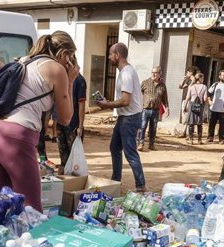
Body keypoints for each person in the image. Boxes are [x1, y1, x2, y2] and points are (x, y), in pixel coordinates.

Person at [0, 31, 79, 212]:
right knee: (31, 209)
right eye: (71, 57)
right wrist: (71, 80)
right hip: (15, 140)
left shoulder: (23, 60)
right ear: (65, 55)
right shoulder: (56, 69)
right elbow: (66, 119)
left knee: (1, 203)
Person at [97, 42, 146, 192]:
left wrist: (107, 104)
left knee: (130, 152)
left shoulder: (126, 73)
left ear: (117, 55)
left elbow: (126, 101)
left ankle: (140, 185)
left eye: (111, 54)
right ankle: (116, 180)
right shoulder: (125, 71)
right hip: (125, 117)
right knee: (114, 147)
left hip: (129, 118)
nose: (109, 57)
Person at [56, 70, 87, 169]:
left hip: (73, 125)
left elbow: (81, 104)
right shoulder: (62, 78)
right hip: (61, 123)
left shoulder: (79, 80)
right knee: (63, 156)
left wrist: (80, 126)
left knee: (74, 159)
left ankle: (75, 182)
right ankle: (65, 181)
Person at [138, 66, 169, 152]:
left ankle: (151, 144)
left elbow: (165, 98)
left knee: (153, 128)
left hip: (155, 110)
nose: (154, 74)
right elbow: (137, 94)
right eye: (152, 72)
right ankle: (141, 143)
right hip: (145, 109)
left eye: (156, 73)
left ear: (160, 74)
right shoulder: (145, 83)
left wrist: (167, 108)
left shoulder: (162, 86)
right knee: (143, 126)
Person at [207, 70, 224, 143]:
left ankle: (222, 139)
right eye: (223, 75)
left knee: (223, 125)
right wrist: (209, 101)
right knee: (212, 124)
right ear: (219, 76)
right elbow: (208, 93)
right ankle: (210, 137)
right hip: (214, 108)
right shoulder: (215, 84)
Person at [185, 73, 208, 145]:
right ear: (200, 78)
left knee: (191, 123)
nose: (203, 79)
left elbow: (188, 97)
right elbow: (205, 98)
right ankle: (199, 140)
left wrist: (185, 106)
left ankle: (191, 140)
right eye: (203, 78)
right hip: (200, 106)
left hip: (192, 105)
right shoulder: (204, 87)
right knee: (199, 124)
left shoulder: (191, 86)